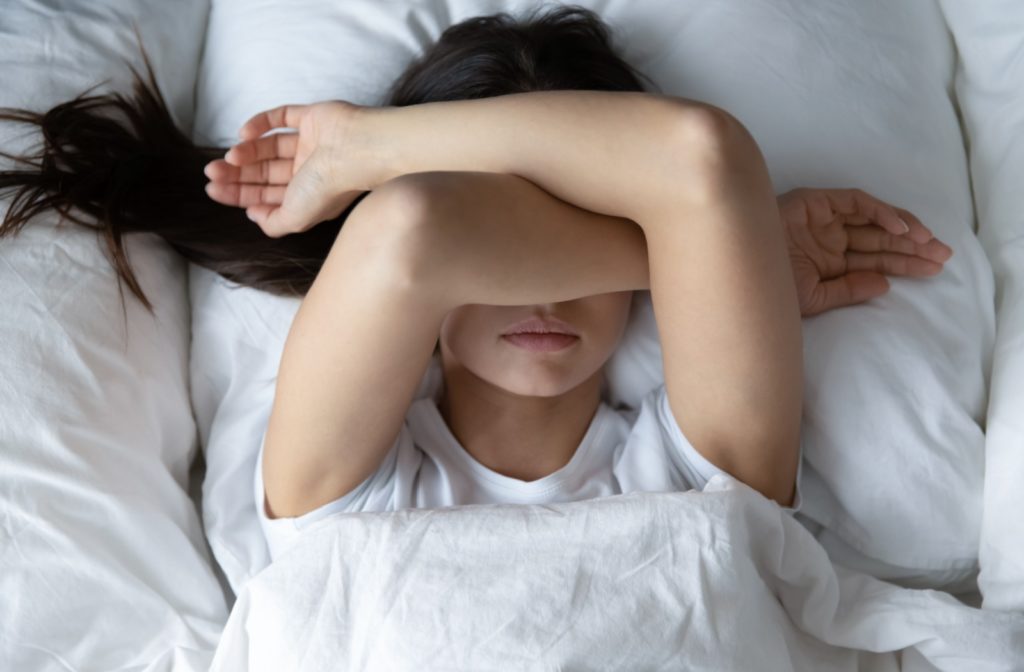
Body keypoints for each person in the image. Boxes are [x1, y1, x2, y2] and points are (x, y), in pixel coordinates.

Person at [0, 6, 952, 561]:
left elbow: (698, 162)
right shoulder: (347, 499)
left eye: (560, 235)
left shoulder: (698, 474)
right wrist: (719, 257)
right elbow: (413, 234)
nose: (539, 286)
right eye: (513, 239)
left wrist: (364, 149)